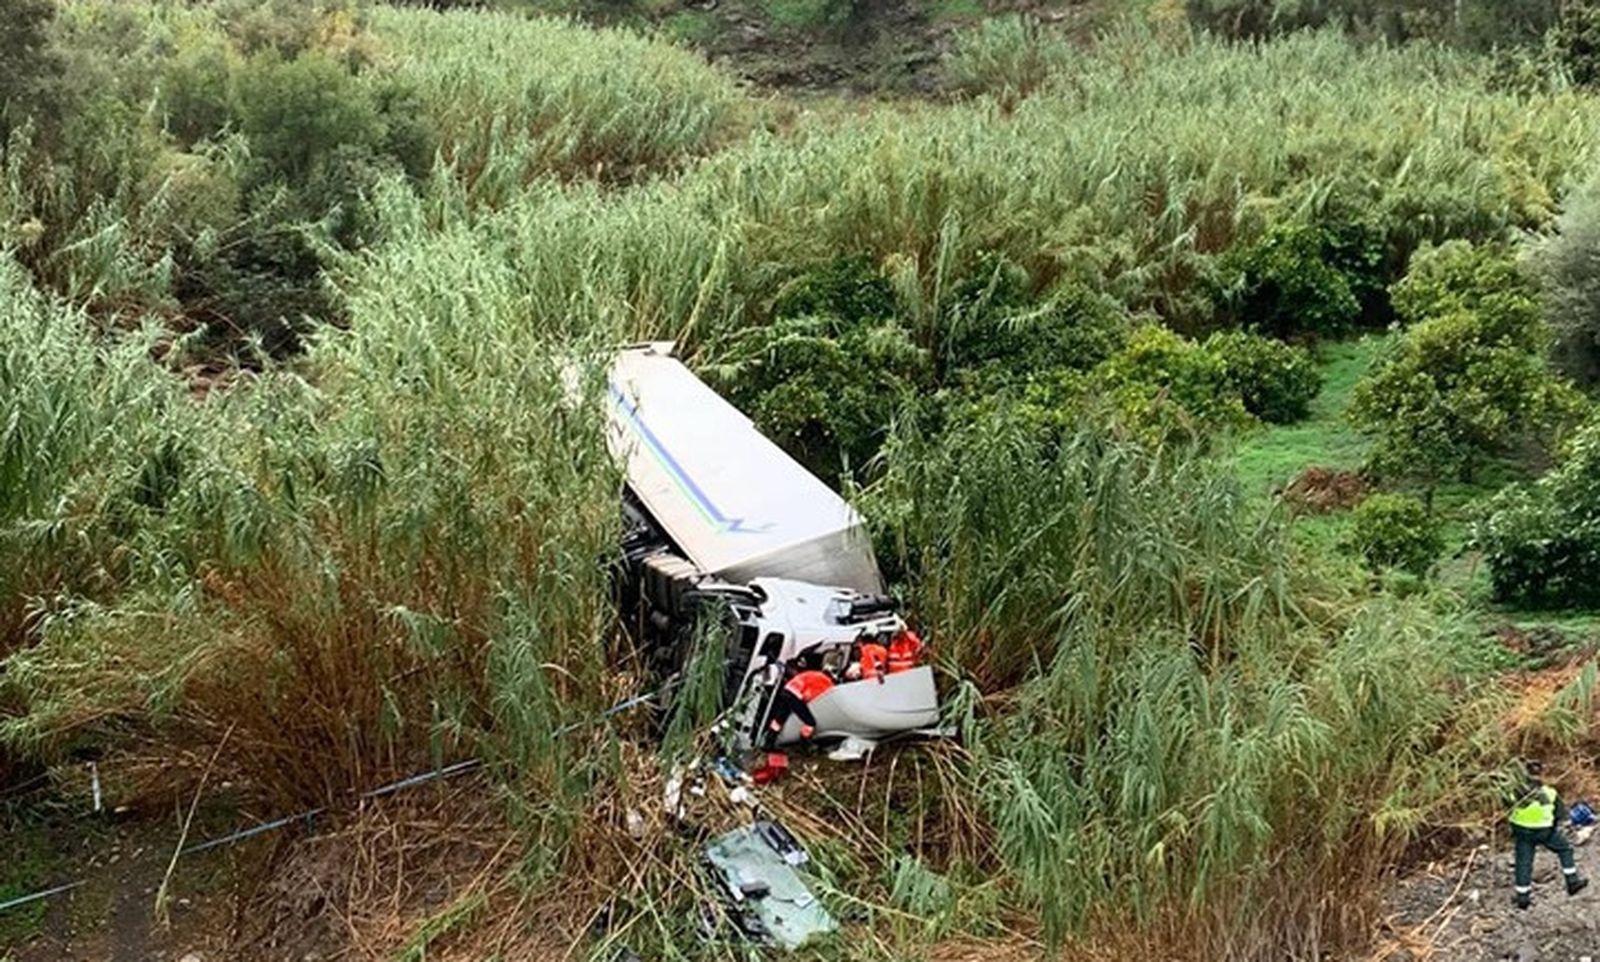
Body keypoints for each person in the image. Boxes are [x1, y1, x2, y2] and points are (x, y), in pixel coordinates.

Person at [1508, 760, 1588, 909]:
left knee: (1523, 863)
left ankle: (1523, 898)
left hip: (1521, 832)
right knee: (1565, 849)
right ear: (1541, 775)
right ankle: (1572, 881)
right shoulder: (1549, 793)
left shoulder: (1515, 791)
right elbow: (1560, 814)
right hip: (1544, 831)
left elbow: (1506, 805)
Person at [765, 666, 833, 748]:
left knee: (780, 718)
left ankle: (769, 742)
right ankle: (804, 743)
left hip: (786, 690)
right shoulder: (826, 682)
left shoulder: (812, 673)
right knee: (810, 722)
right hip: (795, 695)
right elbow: (810, 695)